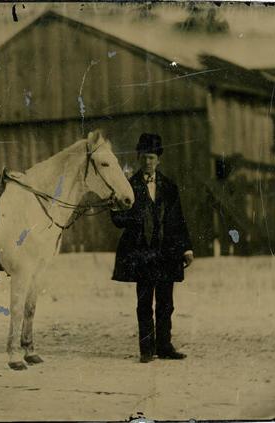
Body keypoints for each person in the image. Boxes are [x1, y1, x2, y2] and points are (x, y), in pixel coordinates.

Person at [111, 133, 193, 363]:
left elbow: (178, 220)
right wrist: (123, 211)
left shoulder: (169, 186)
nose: (149, 162)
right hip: (141, 253)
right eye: (145, 157)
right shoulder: (128, 186)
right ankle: (147, 350)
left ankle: (165, 346)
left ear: (159, 160)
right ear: (139, 158)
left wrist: (186, 249)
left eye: (153, 157)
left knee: (166, 303)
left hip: (167, 252)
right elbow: (117, 221)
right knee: (144, 302)